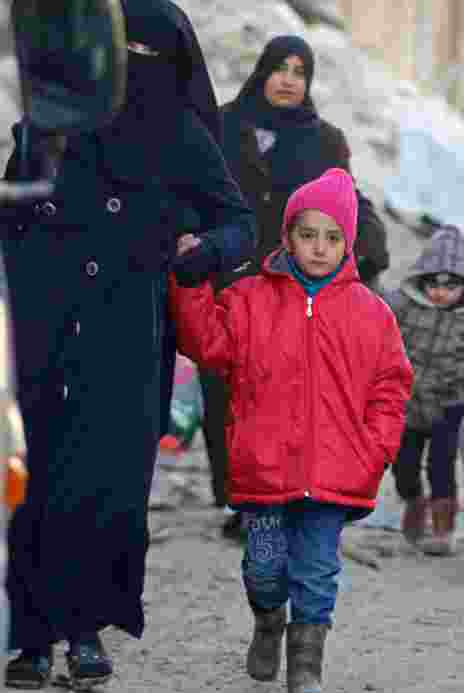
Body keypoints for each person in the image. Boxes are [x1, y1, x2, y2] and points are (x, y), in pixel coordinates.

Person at [0, 0, 257, 688]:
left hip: (126, 331)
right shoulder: (48, 123)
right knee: (37, 479)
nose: (133, 69)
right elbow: (11, 213)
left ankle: (85, 629)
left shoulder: (177, 133)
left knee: (105, 486)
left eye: (147, 56)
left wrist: (202, 252)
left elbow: (238, 222)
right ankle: (31, 638)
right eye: (123, 53)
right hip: (43, 326)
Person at [170, 168, 412, 693]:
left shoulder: (372, 315)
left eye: (332, 238)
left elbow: (391, 388)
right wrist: (191, 282)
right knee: (264, 567)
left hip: (335, 471)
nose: (319, 248)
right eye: (308, 235)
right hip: (263, 467)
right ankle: (267, 620)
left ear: (348, 243)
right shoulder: (250, 298)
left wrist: (376, 450)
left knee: (317, 572)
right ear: (287, 236)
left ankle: (306, 667)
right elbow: (207, 344)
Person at [203, 35, 391, 542]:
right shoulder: (219, 125)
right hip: (227, 278)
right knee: (223, 393)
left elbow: (345, 197)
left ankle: (279, 496)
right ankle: (238, 495)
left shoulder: (324, 140)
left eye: (299, 71)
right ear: (262, 72)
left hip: (289, 283)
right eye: (279, 68)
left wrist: (368, 247)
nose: (288, 80)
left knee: (276, 392)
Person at [382, 225, 464, 556]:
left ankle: (443, 529)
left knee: (441, 465)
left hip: (449, 404)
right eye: (433, 283)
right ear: (422, 280)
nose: (440, 292)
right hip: (408, 401)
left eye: (451, 285)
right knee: (403, 464)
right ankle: (414, 501)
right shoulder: (403, 306)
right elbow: (374, 327)